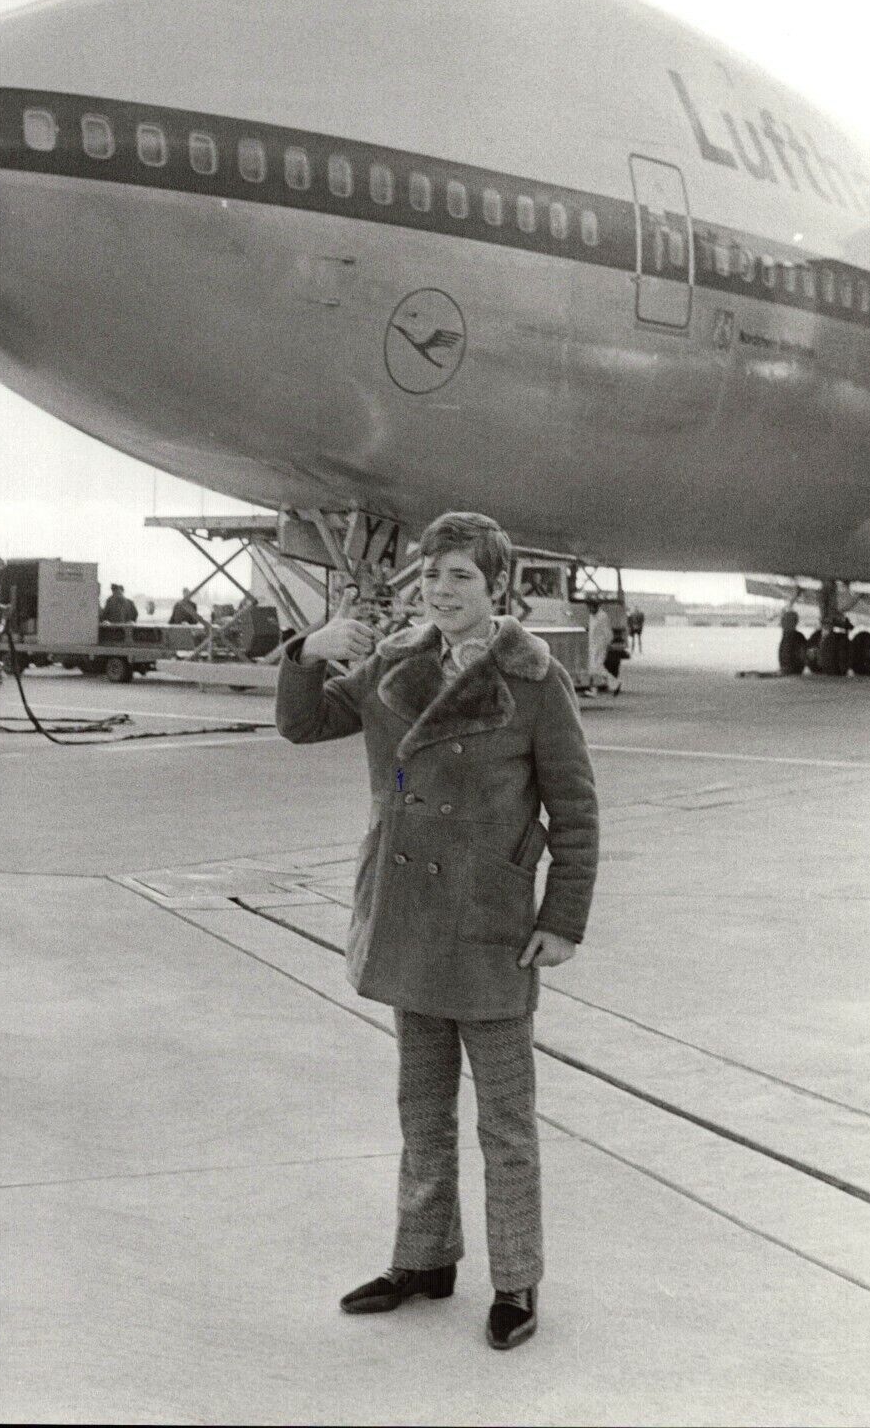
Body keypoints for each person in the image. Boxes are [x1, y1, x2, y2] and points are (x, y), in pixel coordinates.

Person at [276, 511, 599, 1351]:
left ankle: (516, 1281)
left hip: (487, 925)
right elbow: (303, 724)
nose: (440, 590)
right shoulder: (394, 662)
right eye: (431, 574)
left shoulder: (533, 680)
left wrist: (561, 920)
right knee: (421, 1107)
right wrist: (306, 652)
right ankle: (422, 1260)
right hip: (408, 918)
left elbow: (576, 809)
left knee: (505, 1121)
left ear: (497, 587)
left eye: (459, 576)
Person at [584, 596, 618, 696]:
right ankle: (594, 690)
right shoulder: (592, 616)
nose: (589, 610)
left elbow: (608, 632)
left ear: (595, 607)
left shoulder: (602, 616)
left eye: (590, 607)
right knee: (592, 668)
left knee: (597, 667)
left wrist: (607, 644)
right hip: (593, 645)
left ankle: (615, 683)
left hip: (600, 646)